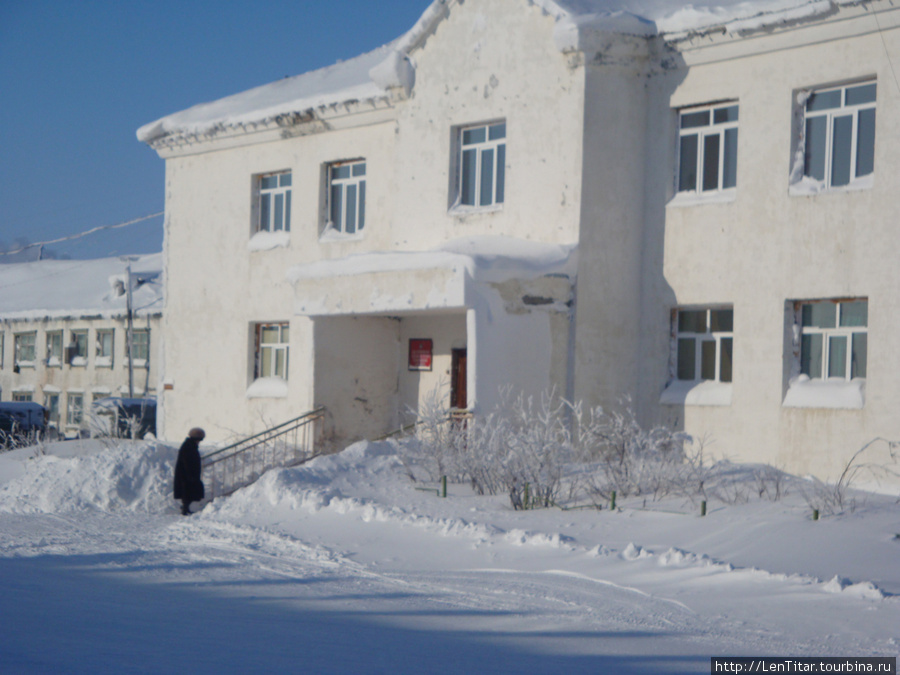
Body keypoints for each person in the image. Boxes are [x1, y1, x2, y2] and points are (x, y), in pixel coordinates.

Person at [174, 427, 205, 515]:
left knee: (190, 492)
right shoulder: (188, 446)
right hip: (187, 474)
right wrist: (190, 474)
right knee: (187, 491)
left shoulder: (190, 445)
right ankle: (185, 509)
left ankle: (186, 508)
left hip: (189, 474)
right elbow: (187, 460)